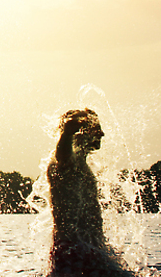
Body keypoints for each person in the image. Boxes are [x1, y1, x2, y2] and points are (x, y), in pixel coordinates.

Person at [47, 109, 129, 276]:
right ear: (80, 131)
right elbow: (62, 156)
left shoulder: (82, 165)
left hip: (88, 250)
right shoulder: (67, 164)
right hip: (73, 252)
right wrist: (67, 133)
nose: (102, 134)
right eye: (97, 129)